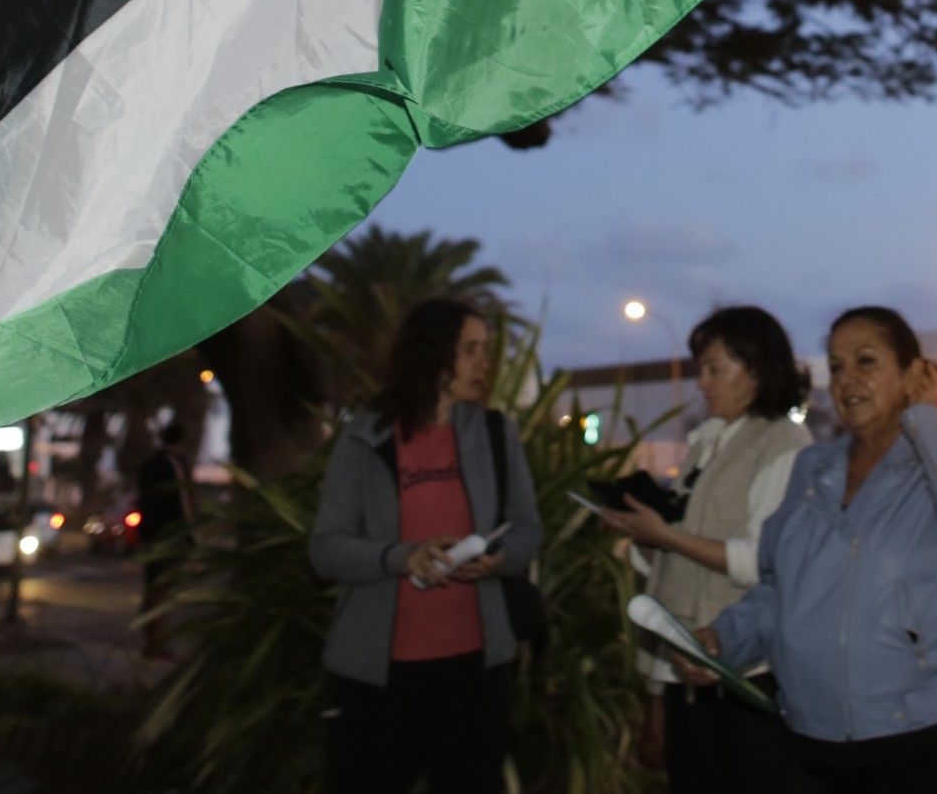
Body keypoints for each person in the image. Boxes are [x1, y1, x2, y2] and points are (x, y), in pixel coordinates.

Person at [699, 306, 937, 794]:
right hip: (816, 746)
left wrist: (928, 414)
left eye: (866, 361)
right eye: (837, 365)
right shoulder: (812, 467)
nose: (847, 379)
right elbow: (780, 587)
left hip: (936, 742)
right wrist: (722, 640)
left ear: (912, 374)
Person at [308, 299, 543, 794]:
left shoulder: (497, 433)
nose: (485, 363)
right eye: (470, 350)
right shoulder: (365, 436)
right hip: (377, 678)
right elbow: (326, 548)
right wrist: (400, 557)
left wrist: (499, 559)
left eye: (488, 350)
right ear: (431, 354)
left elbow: (527, 529)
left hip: (475, 674)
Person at [596, 305, 812, 794]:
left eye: (715, 368)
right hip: (685, 668)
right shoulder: (706, 440)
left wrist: (668, 536)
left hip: (746, 674)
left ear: (756, 370)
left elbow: (762, 560)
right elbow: (680, 563)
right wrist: (646, 538)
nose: (702, 383)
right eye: (701, 369)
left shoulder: (784, 443)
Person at [135, 420, 196, 659]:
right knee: (161, 590)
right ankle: (156, 643)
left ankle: (153, 640)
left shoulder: (153, 464)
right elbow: (180, 503)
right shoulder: (169, 466)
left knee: (156, 588)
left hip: (157, 534)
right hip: (167, 536)